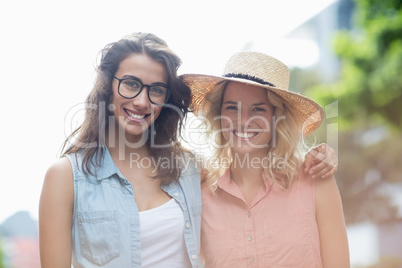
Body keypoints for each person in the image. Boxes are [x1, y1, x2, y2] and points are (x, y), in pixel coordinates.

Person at [39, 32, 338, 268]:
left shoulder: (189, 170)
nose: (142, 102)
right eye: (130, 84)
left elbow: (249, 163)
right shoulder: (66, 177)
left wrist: (322, 155)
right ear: (107, 85)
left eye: (156, 89)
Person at [182, 52, 350, 267]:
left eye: (258, 109)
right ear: (218, 114)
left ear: (276, 117)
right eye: (232, 107)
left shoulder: (315, 179)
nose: (243, 121)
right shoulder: (200, 194)